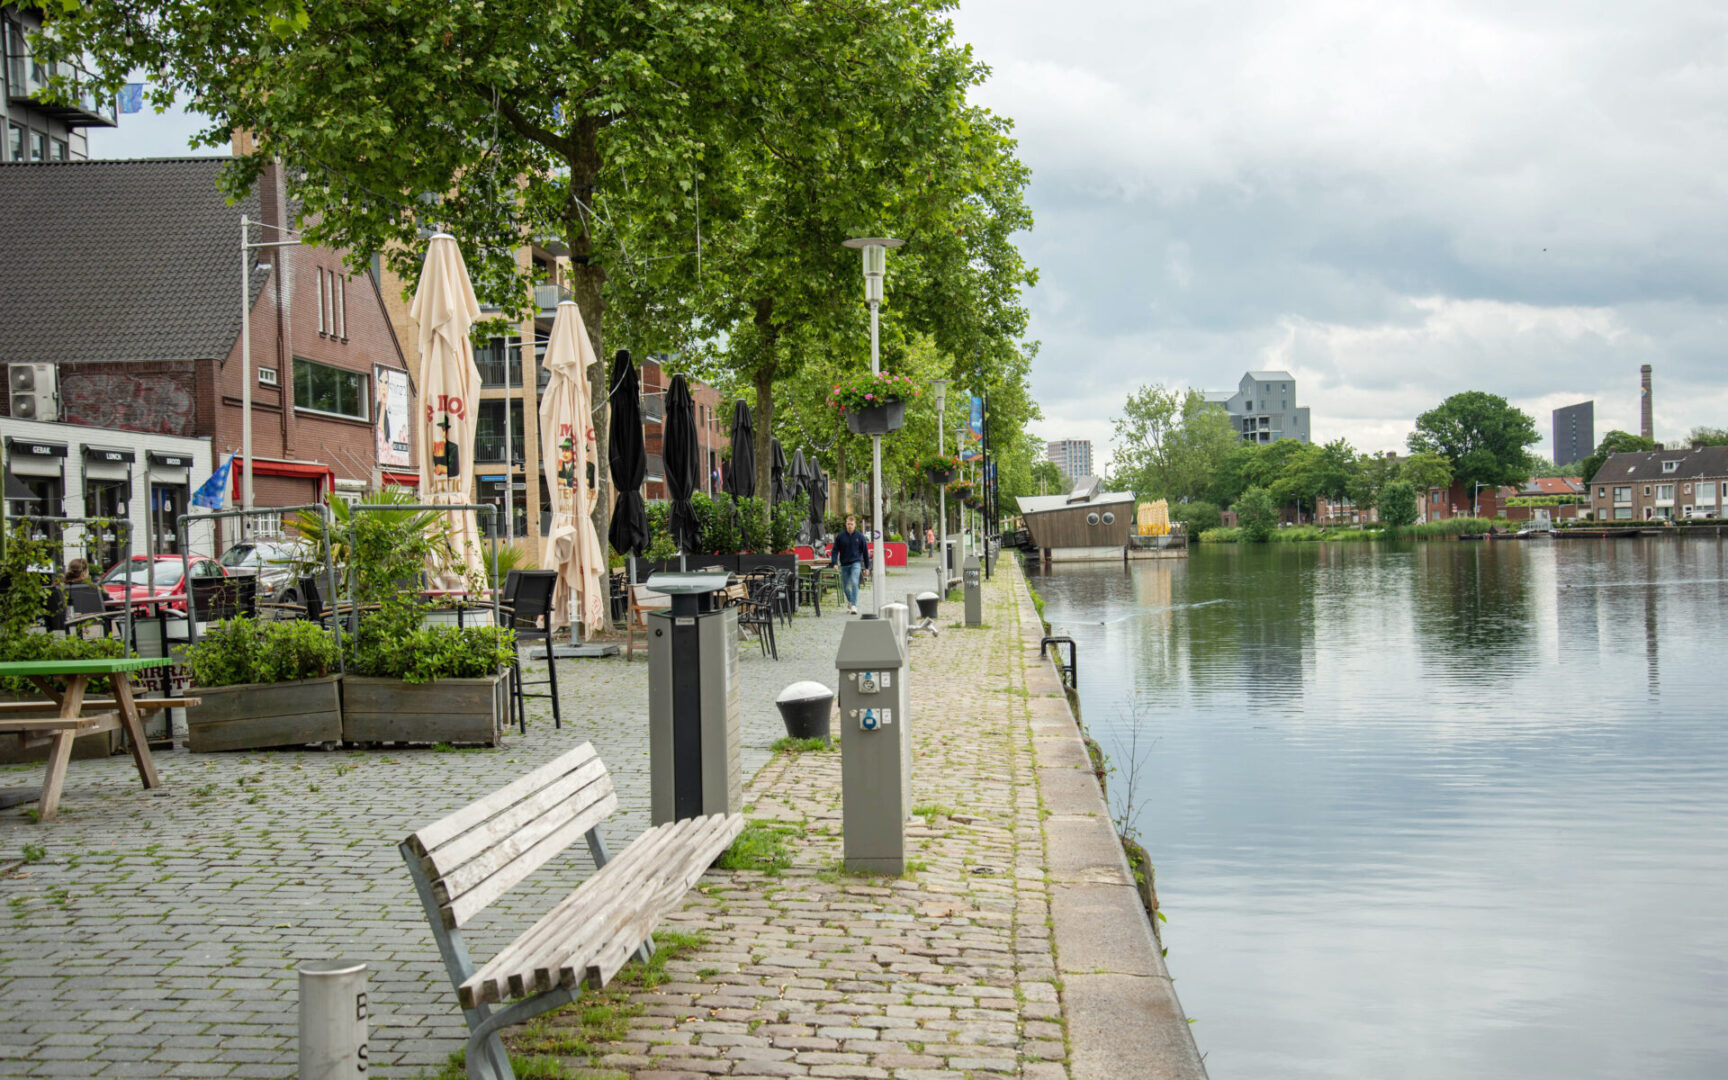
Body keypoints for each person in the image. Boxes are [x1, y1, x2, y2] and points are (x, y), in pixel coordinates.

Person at [828, 515, 869, 615]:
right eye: (848, 524)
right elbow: (834, 550)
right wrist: (834, 563)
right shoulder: (841, 536)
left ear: (855, 525)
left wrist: (867, 567)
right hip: (844, 564)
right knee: (845, 587)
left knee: (855, 582)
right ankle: (851, 601)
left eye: (851, 524)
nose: (850, 526)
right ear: (846, 524)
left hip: (856, 563)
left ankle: (854, 605)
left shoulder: (860, 536)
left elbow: (865, 552)